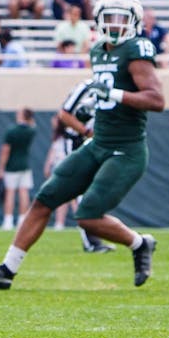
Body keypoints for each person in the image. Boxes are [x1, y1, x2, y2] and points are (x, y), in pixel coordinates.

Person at [0, 0, 163, 289]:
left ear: (134, 21)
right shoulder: (98, 50)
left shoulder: (137, 49)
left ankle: (140, 243)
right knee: (44, 199)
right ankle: (6, 269)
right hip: (98, 143)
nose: (114, 24)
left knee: (87, 216)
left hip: (126, 149)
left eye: (121, 18)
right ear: (98, 20)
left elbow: (156, 99)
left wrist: (112, 94)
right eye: (109, 17)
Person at [55, 79, 118, 252]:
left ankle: (93, 239)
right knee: (81, 191)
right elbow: (64, 114)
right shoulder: (87, 87)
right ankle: (92, 241)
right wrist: (87, 132)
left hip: (95, 143)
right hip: (77, 142)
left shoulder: (115, 89)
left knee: (91, 190)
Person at [0, 108, 36, 230]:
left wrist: (1, 168)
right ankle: (22, 219)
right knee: (24, 192)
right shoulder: (31, 131)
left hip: (11, 166)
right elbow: (33, 124)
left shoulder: (12, 131)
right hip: (24, 165)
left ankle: (8, 220)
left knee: (10, 193)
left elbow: (5, 150)